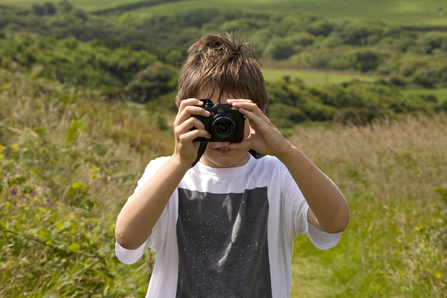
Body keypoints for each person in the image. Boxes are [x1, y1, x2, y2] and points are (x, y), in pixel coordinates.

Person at [115, 32, 349, 298]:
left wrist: (285, 151)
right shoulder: (166, 172)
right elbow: (127, 238)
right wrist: (180, 161)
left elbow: (335, 221)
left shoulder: (277, 175)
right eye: (211, 115)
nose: (222, 128)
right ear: (185, 113)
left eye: (234, 115)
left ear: (258, 114)